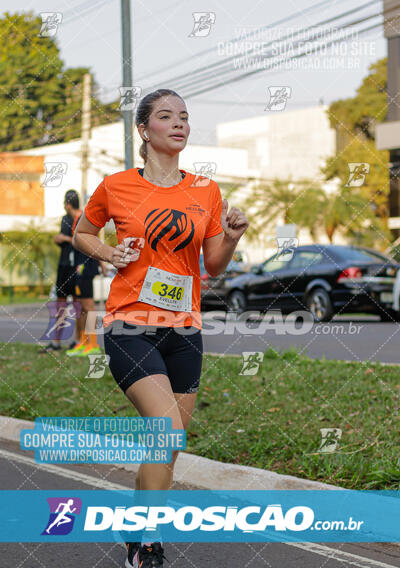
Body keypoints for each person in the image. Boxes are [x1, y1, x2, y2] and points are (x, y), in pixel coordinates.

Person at [72, 88, 249, 567]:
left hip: (185, 330)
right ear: (143, 130)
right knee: (167, 429)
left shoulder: (205, 191)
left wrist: (230, 238)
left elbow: (212, 265)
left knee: (165, 446)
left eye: (185, 117)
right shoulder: (116, 185)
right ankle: (148, 544)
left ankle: (135, 531)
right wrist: (110, 254)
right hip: (130, 324)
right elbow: (82, 232)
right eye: (167, 116)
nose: (179, 124)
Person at [65, 190, 108, 357]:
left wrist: (101, 263)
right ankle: (84, 343)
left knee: (89, 307)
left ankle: (94, 344)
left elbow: (93, 242)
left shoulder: (85, 217)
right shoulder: (79, 217)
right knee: (82, 307)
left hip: (86, 267)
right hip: (79, 267)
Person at [38, 191, 77, 353]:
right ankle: (56, 342)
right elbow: (64, 241)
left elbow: (82, 241)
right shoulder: (64, 219)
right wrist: (59, 239)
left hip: (75, 267)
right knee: (60, 305)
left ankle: (78, 341)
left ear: (68, 204)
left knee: (78, 305)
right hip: (63, 266)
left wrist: (66, 238)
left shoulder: (81, 218)